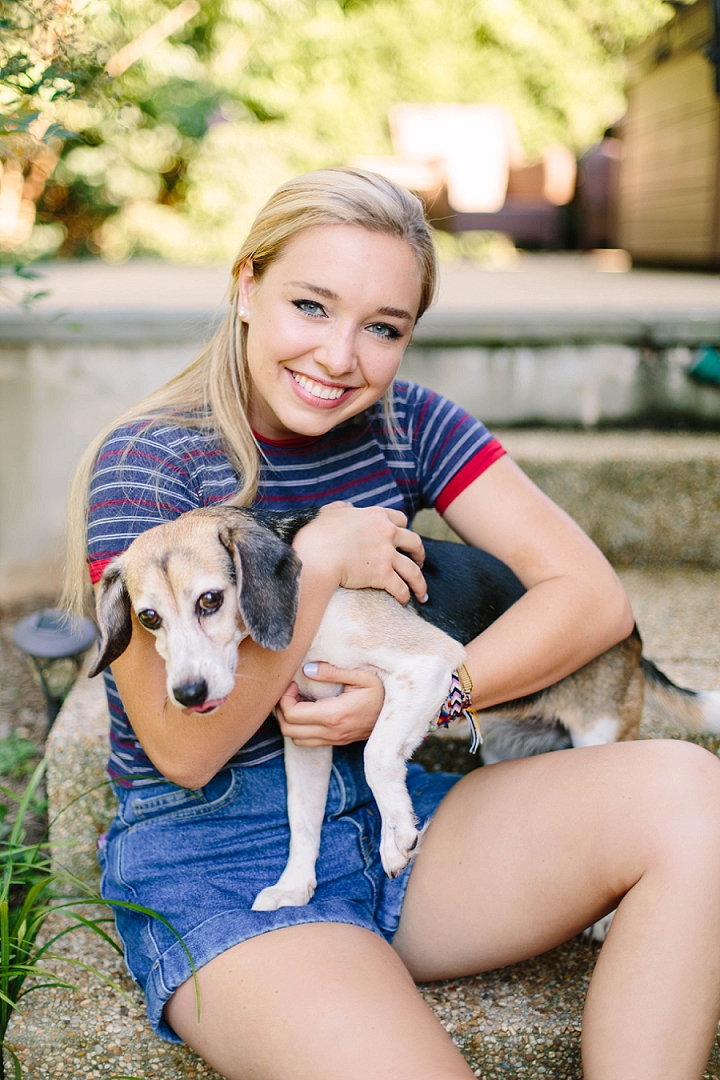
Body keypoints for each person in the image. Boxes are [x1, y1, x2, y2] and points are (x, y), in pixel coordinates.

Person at [64, 167, 720, 1080]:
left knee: (694, 795)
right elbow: (182, 751)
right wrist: (323, 562)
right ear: (246, 285)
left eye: (383, 327)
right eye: (311, 305)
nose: (341, 357)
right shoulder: (151, 464)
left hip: (404, 820)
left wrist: (427, 698)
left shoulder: (406, 425)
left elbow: (591, 597)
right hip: (218, 850)